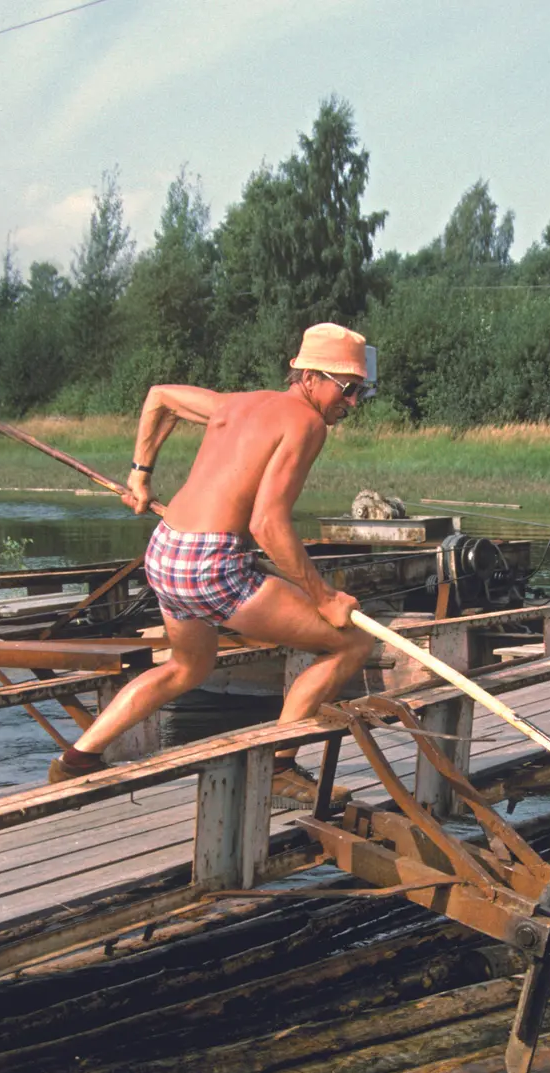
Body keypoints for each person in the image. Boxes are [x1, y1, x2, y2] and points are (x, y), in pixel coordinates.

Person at [47, 323, 376, 808]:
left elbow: (160, 397)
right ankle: (280, 769)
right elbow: (267, 524)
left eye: (359, 392)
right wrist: (325, 598)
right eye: (346, 389)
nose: (349, 403)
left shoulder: (237, 403)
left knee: (188, 665)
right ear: (310, 376)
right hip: (209, 565)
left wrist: (140, 475)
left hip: (166, 551)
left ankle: (75, 761)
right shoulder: (307, 424)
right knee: (352, 642)